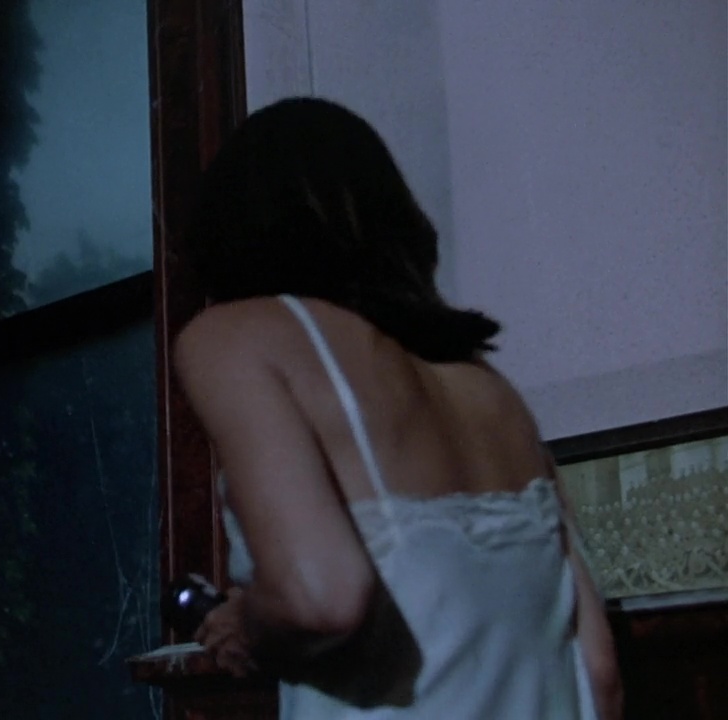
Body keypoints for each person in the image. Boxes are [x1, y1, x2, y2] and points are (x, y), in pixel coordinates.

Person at [174, 97, 623, 719]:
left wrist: (247, 622)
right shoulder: (491, 390)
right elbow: (599, 675)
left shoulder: (235, 336)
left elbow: (321, 599)